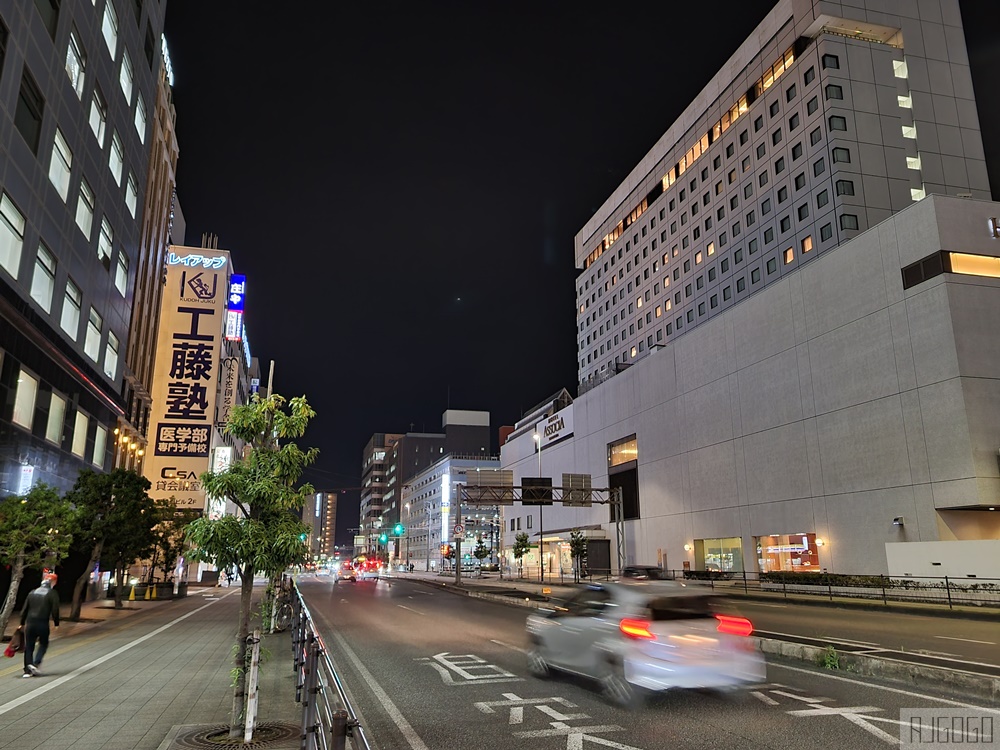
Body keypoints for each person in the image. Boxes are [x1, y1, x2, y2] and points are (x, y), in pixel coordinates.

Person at [20, 572, 60, 677]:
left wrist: (21, 623)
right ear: (53, 582)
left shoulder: (32, 592)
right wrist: (56, 623)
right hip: (42, 622)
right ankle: (36, 663)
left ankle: (27, 671)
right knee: (43, 643)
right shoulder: (52, 593)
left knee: (29, 646)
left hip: (30, 622)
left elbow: (24, 609)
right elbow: (55, 609)